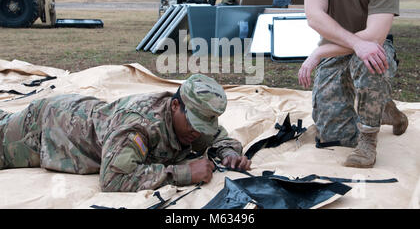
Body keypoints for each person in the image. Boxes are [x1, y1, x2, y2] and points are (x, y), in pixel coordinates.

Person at [0, 74, 251, 192]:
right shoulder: (139, 125)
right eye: (195, 124)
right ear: (175, 105)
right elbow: (113, 178)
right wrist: (185, 173)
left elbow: (218, 136)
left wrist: (229, 153)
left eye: (204, 126)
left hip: (83, 111)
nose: (198, 133)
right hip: (46, 126)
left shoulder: (192, 121)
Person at [298, 0, 408, 168]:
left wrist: (320, 53)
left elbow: (374, 36)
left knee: (369, 57)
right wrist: (339, 47)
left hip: (372, 48)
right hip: (335, 49)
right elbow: (314, 16)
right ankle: (384, 109)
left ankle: (368, 141)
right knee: (332, 136)